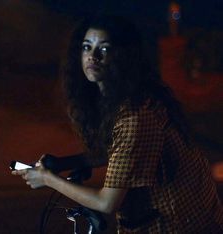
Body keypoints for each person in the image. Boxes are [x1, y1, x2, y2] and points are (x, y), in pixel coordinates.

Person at [12, 15, 223, 233]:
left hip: (176, 225)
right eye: (87, 47)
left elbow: (107, 202)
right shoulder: (119, 100)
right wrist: (63, 163)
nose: (92, 56)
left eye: (103, 49)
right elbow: (120, 152)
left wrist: (47, 179)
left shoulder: (135, 115)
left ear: (122, 56)